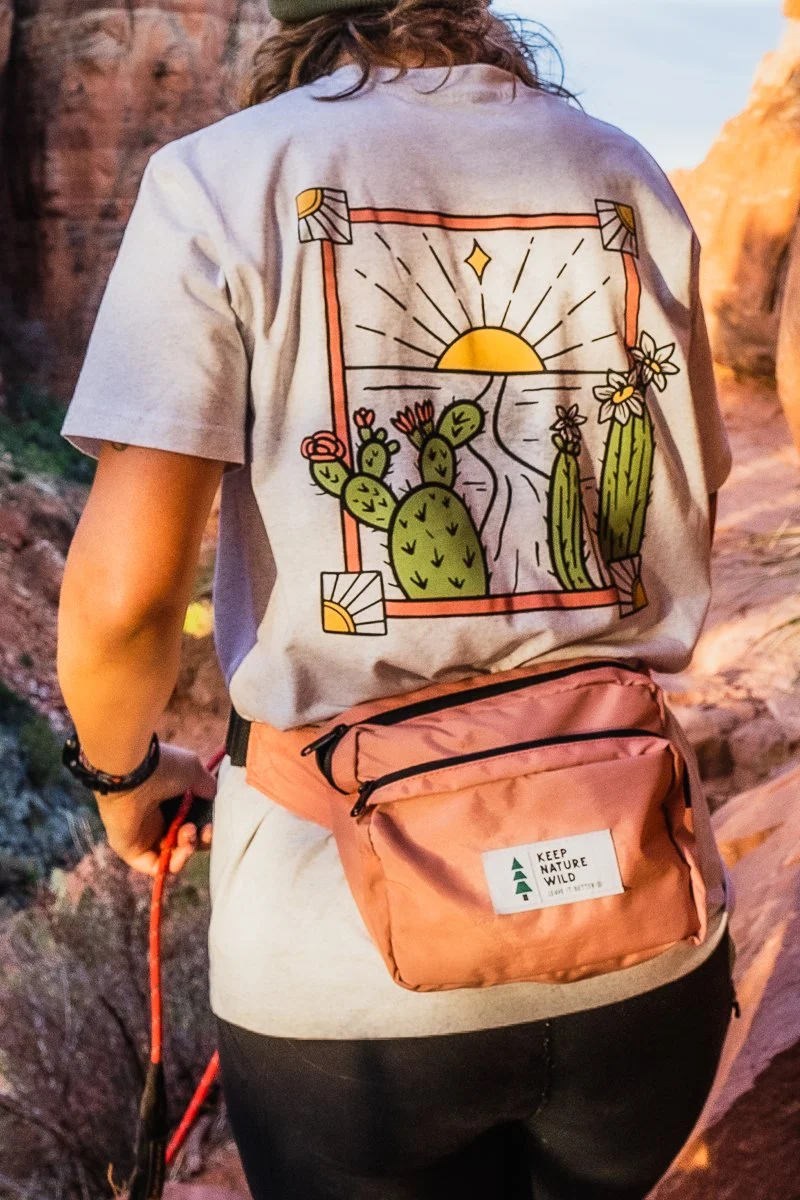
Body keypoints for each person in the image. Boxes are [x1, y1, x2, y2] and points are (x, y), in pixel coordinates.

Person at [56, 0, 738, 1195]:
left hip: (344, 980)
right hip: (642, 927)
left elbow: (123, 601)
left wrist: (124, 784)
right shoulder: (622, 173)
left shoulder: (225, 174)